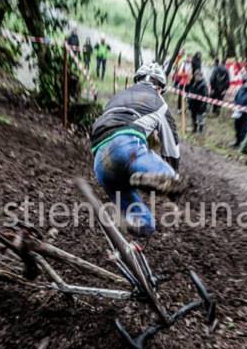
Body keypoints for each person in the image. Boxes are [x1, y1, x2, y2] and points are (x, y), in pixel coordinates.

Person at [88, 62, 182, 236]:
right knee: (170, 179)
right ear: (160, 87)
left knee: (145, 224)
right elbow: (172, 149)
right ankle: (141, 178)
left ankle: (127, 221)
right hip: (125, 145)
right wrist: (173, 176)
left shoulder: (118, 96)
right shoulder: (159, 102)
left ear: (137, 80)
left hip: (99, 159)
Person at [233, 74, 247, 149]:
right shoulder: (241, 89)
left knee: (244, 129)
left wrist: (244, 108)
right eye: (245, 82)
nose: (246, 83)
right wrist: (235, 105)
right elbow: (236, 98)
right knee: (237, 127)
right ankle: (237, 142)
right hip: (237, 113)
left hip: (246, 115)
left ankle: (243, 145)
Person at [186, 69, 209, 134]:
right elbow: (190, 91)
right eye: (195, 76)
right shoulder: (194, 83)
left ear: (201, 76)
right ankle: (194, 129)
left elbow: (206, 96)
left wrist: (203, 105)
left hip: (199, 105)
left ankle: (200, 131)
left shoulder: (203, 85)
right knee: (193, 117)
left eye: (197, 76)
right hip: (193, 105)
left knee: (200, 118)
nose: (196, 77)